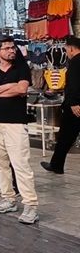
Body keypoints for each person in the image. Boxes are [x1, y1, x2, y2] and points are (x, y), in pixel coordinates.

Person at [0, 36, 38, 225]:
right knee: (0, 162)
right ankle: (8, 198)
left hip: (15, 122)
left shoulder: (21, 69)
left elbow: (21, 90)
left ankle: (30, 205)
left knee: (21, 163)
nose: (12, 51)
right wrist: (7, 87)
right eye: (7, 48)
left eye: (13, 47)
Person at [41, 36, 80, 175]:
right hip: (74, 104)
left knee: (65, 137)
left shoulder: (76, 62)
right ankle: (56, 164)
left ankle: (56, 165)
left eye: (66, 49)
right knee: (66, 137)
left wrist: (74, 103)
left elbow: (74, 85)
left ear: (70, 48)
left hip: (75, 107)